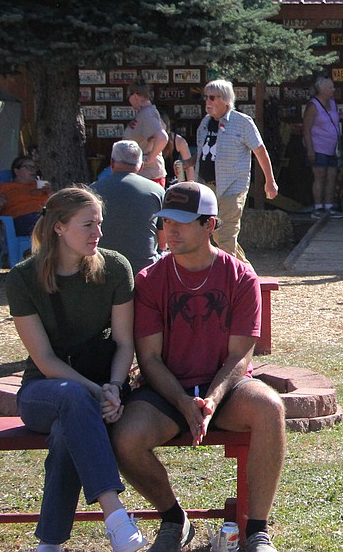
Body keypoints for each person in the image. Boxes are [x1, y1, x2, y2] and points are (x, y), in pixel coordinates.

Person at [112, 182, 285, 552]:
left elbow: (240, 356)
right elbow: (150, 358)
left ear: (210, 224)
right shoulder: (149, 280)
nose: (170, 231)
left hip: (225, 388)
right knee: (126, 437)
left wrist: (210, 399)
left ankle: (257, 530)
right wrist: (182, 402)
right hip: (166, 389)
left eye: (181, 222)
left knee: (270, 407)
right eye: (165, 221)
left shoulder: (240, 277)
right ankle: (174, 519)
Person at [6, 187, 148, 552]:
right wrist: (97, 390)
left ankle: (49, 545)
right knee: (72, 399)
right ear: (58, 228)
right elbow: (45, 361)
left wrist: (115, 386)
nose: (97, 234)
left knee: (68, 432)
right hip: (45, 391)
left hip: (100, 391)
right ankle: (115, 515)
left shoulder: (115, 267)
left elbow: (124, 343)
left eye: (100, 224)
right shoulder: (23, 277)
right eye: (87, 225)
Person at [193, 79, 279, 263]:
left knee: (225, 234)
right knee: (215, 234)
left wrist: (269, 181)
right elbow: (203, 155)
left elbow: (260, 151)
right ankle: (245, 274)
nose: (207, 102)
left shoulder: (242, 122)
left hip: (232, 187)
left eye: (212, 98)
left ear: (225, 100)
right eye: (205, 97)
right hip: (207, 187)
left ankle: (229, 283)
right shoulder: (205, 123)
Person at [91, 140, 166, 273]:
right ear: (141, 166)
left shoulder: (91, 191)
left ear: (112, 163)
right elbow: (163, 240)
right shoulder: (157, 191)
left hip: (102, 268)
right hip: (144, 270)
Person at [301, 76, 343, 220]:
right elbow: (306, 129)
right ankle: (318, 207)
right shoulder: (313, 105)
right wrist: (310, 149)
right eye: (330, 87)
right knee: (319, 176)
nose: (333, 90)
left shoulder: (332, 102)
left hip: (332, 148)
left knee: (332, 177)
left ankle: (329, 206)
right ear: (322, 89)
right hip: (318, 147)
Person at [0, 155, 52, 236]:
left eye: (34, 167)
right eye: (28, 167)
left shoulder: (41, 186)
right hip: (23, 219)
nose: (33, 170)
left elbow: (57, 204)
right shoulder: (4, 187)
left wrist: (50, 194)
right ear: (16, 171)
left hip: (47, 216)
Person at [124, 82, 169, 187]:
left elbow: (162, 137)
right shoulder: (147, 112)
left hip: (148, 176)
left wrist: (149, 158)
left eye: (128, 96)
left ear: (135, 95)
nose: (128, 100)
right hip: (146, 174)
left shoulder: (147, 114)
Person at [160, 113, 193, 188]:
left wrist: (191, 187)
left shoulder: (178, 141)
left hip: (174, 182)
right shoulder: (146, 140)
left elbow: (189, 167)